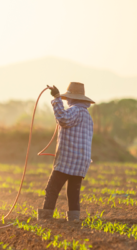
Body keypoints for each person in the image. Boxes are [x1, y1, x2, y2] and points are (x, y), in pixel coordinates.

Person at [37, 82, 94, 223]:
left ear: (73, 98)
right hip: (81, 161)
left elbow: (62, 118)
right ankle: (74, 222)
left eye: (68, 98)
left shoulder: (75, 110)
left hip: (68, 159)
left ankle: (45, 221)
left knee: (51, 189)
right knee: (73, 193)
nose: (67, 100)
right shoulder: (87, 115)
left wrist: (56, 98)